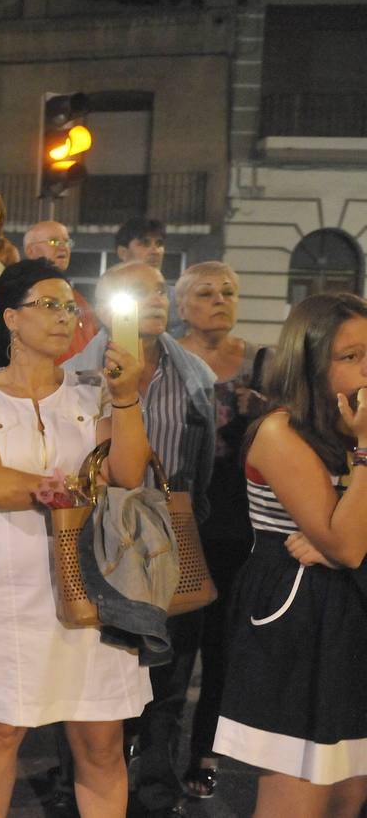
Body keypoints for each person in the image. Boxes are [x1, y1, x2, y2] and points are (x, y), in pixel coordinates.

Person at [0, 258, 151, 817]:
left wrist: (127, 395)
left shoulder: (93, 396)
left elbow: (130, 475)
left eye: (72, 308)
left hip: (96, 586)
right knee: (0, 726)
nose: (66, 318)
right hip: (8, 589)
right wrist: (66, 490)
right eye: (51, 305)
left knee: (101, 738)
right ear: (12, 318)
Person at [64, 261, 216, 817]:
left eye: (159, 289)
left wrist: (187, 524)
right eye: (137, 293)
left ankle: (154, 792)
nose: (155, 298)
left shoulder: (194, 372)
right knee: (92, 677)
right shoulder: (76, 372)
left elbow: (201, 469)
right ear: (105, 310)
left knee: (170, 680)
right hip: (101, 543)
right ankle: (73, 785)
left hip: (170, 545)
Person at [214, 293, 367, 817]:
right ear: (310, 360)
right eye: (350, 356)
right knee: (301, 794)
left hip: (352, 615)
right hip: (302, 616)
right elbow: (346, 544)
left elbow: (344, 546)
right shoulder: (280, 431)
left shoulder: (352, 422)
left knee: (349, 793)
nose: (366, 368)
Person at [174, 261, 267, 801]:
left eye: (228, 292)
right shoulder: (167, 356)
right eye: (205, 292)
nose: (218, 300)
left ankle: (203, 752)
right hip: (179, 517)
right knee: (172, 647)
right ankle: (149, 742)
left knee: (224, 649)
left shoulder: (257, 362)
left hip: (239, 521)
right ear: (182, 303)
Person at [22, 221, 96, 361]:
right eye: (54, 241)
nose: (63, 247)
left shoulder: (78, 299)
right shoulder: (18, 295)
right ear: (31, 251)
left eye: (67, 241)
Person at [115, 217, 184, 335]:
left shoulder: (179, 300)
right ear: (123, 252)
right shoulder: (108, 298)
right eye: (145, 243)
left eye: (159, 244)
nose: (155, 251)